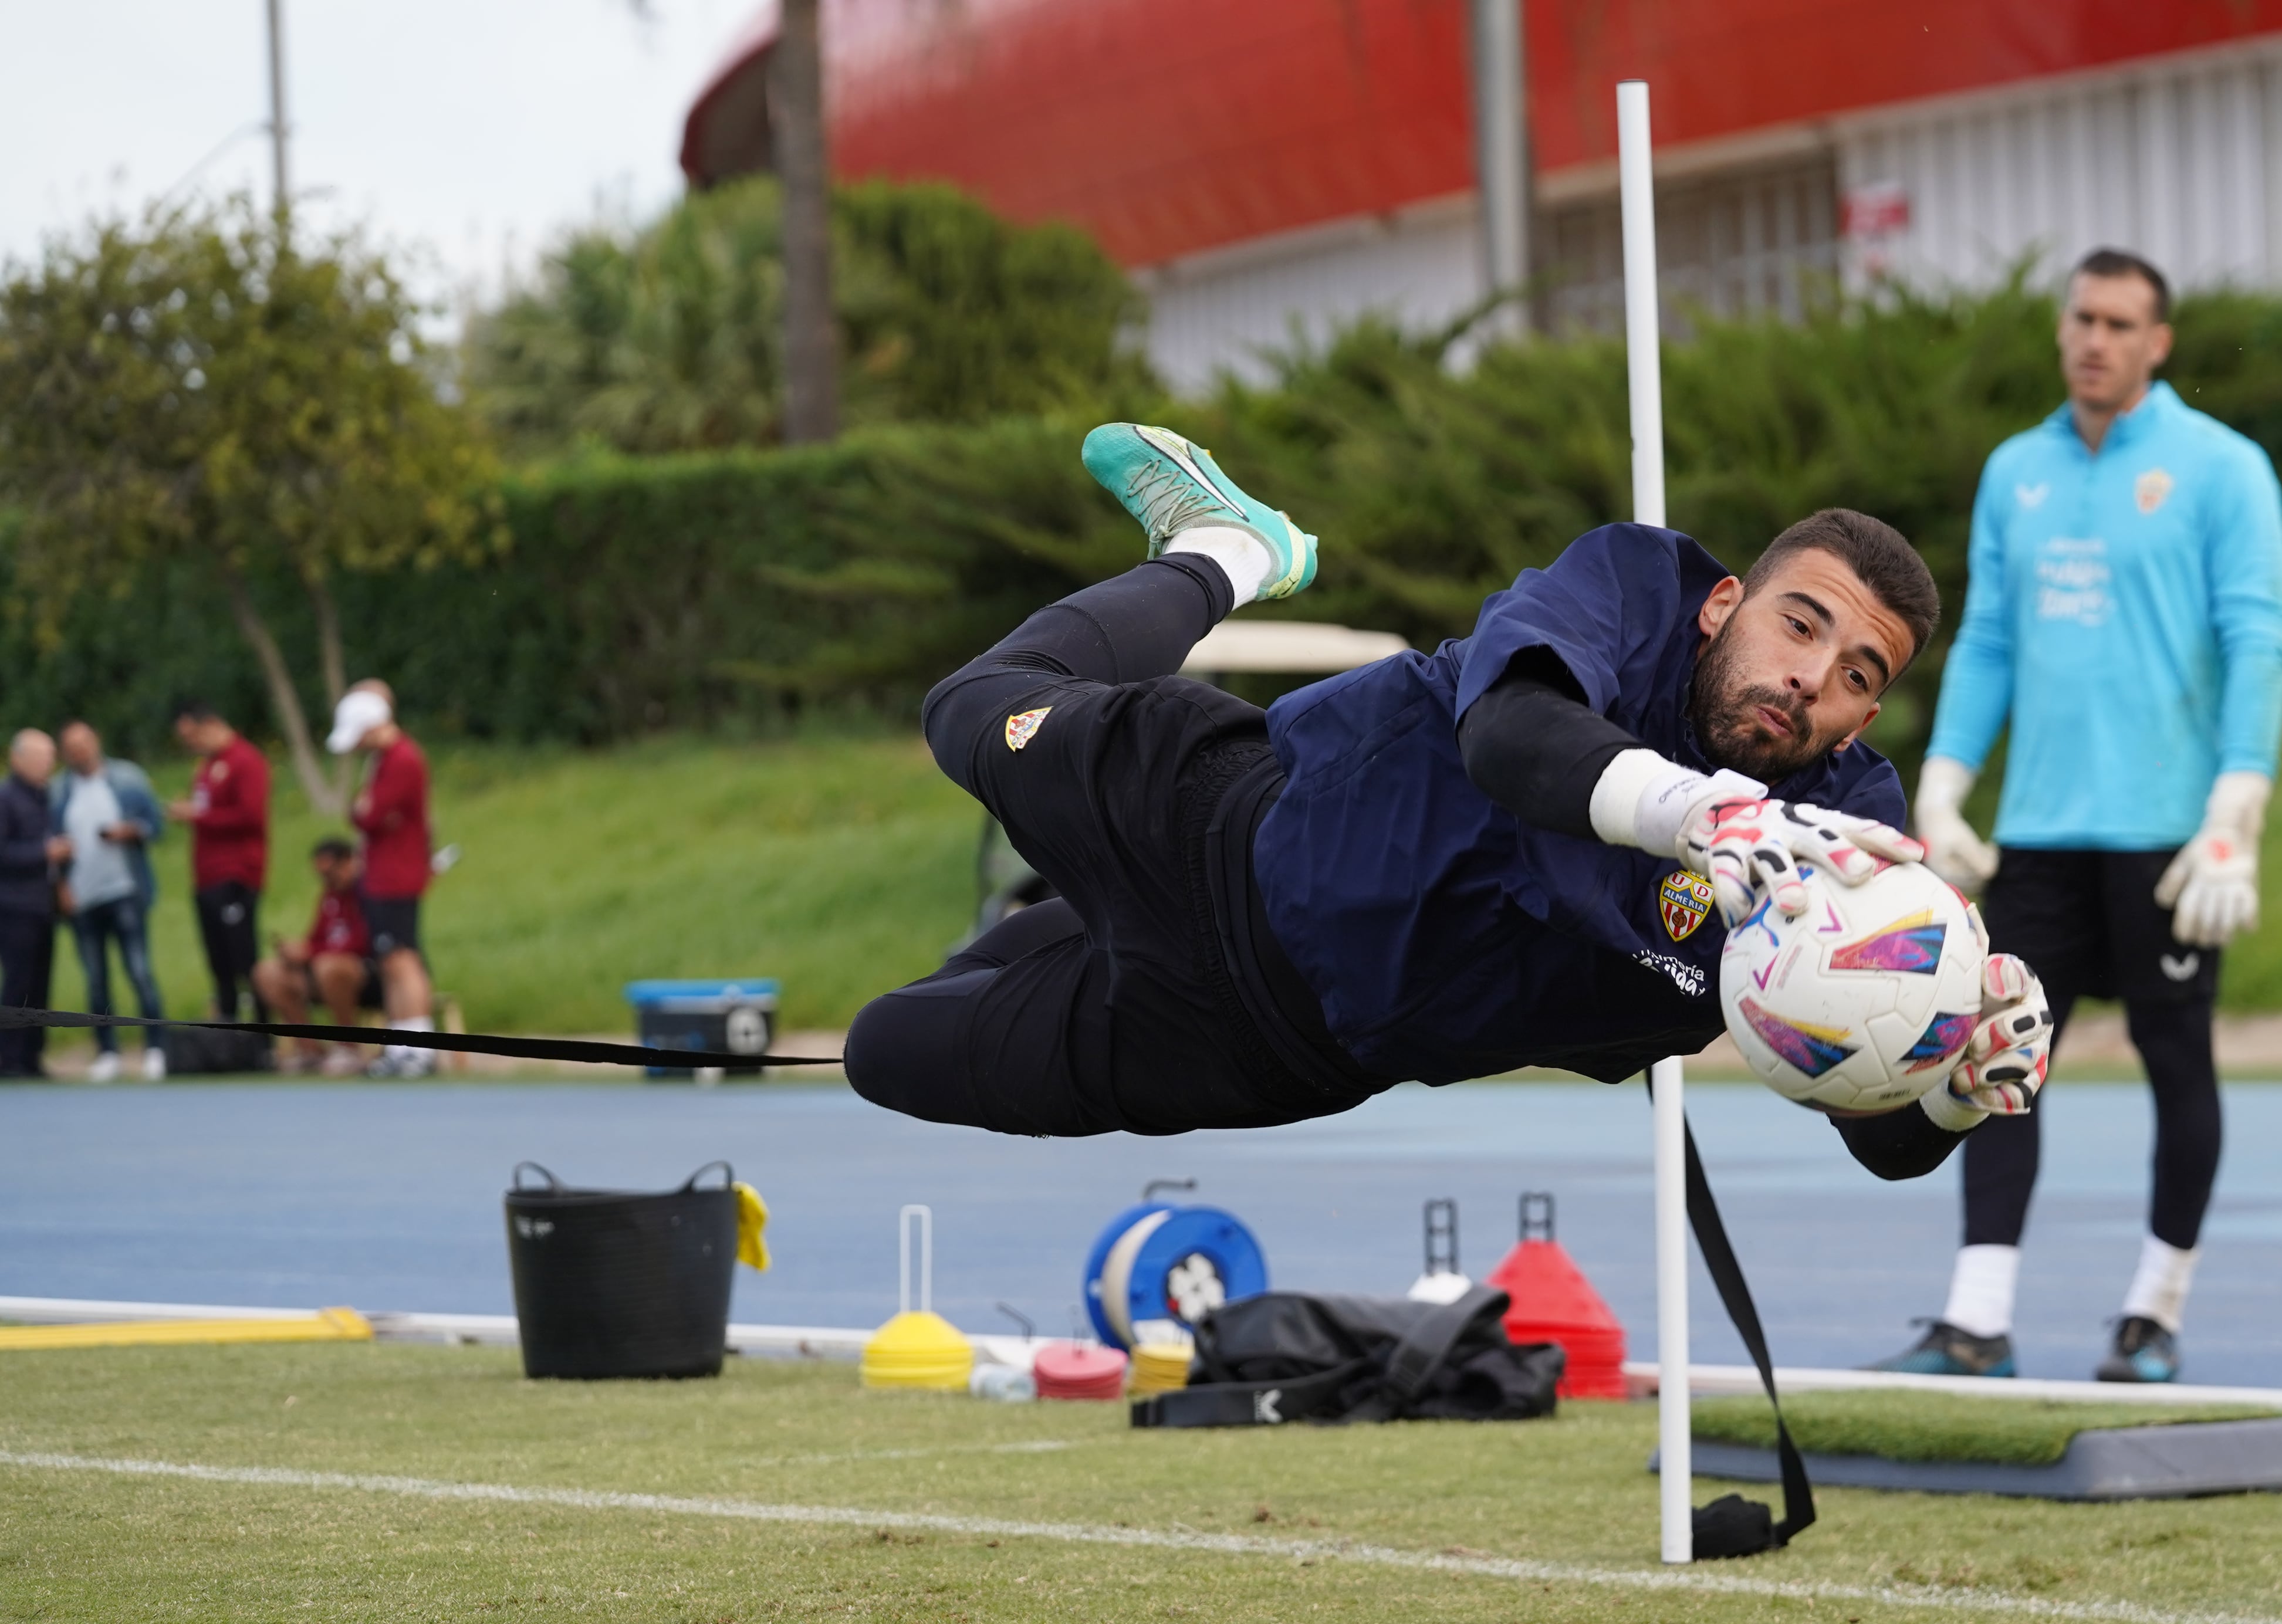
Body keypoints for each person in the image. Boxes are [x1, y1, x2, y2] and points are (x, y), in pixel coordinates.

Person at [845, 422, 2054, 1171]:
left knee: (884, 1047)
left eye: (1856, 674)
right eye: (1801, 623)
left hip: (1282, 1046)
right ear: (1725, 602)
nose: (1809, 677)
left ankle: (1060, 935)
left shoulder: (1858, 857)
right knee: (974, 705)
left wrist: (1955, 1085)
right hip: (1213, 823)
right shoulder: (1635, 588)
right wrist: (1702, 812)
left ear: (1869, 717)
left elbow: (1861, 1095)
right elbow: (1515, 738)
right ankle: (1228, 547)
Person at [1873, 248, 2282, 1386]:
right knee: (1995, 1054)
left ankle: (2152, 1313)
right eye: (2080, 318)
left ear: (2157, 342)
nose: (2094, 339)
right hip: (2042, 834)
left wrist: (2234, 809)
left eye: (2118, 322)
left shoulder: (2223, 468)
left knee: (2175, 1058)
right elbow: (1992, 640)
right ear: (2060, 331)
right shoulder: (2016, 470)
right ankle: (1975, 1320)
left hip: (2165, 835)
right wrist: (1948, 779)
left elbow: (2258, 637)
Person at [326, 681, 438, 1079]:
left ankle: (420, 1048)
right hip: (381, 875)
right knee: (390, 961)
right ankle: (400, 1044)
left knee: (403, 959)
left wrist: (363, 809)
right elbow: (365, 812)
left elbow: (369, 815)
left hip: (396, 876)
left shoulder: (401, 759)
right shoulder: (385, 759)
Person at [51, 720, 171, 1083]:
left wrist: (130, 831)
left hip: (124, 890)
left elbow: (156, 824)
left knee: (139, 970)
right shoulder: (59, 791)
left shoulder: (127, 778)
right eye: (72, 747)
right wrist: (62, 887)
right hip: (83, 897)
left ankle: (156, 1048)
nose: (80, 752)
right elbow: (52, 843)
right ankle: (107, 1051)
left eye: (84, 743)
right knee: (96, 978)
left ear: (96, 741)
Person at [165, 701, 272, 1021]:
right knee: (219, 959)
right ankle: (228, 1029)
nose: (191, 744)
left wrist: (199, 816)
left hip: (236, 873)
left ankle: (262, 1035)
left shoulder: (246, 760)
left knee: (243, 955)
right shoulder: (207, 767)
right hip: (207, 875)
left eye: (193, 735)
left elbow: (251, 816)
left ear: (211, 724)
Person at [253, 837, 378, 1072]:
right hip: (322, 968)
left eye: (331, 872)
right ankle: (309, 1050)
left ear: (350, 863)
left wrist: (311, 952)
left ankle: (349, 1047)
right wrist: (297, 949)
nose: (326, 879)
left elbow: (363, 941)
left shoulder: (368, 891)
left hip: (365, 973)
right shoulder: (330, 895)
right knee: (268, 972)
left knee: (329, 967)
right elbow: (319, 938)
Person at [1, 729, 62, 1080]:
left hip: (43, 905)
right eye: (41, 758)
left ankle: (33, 1056)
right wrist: (43, 852)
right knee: (18, 983)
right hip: (13, 906)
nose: (47, 765)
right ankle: (9, 1058)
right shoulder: (6, 799)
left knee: (40, 986)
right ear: (18, 759)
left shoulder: (44, 797)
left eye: (50, 758)